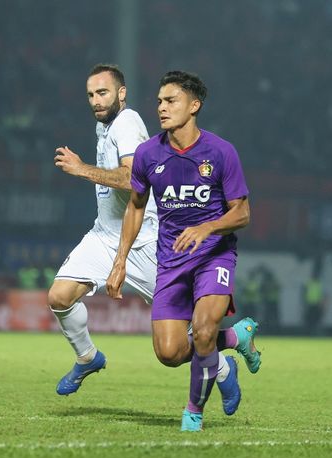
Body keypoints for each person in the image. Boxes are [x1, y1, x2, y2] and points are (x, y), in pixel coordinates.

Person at [106, 71, 260, 431]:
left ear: (194, 106)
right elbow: (136, 205)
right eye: (159, 101)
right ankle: (236, 339)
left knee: (204, 331)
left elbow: (243, 212)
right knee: (170, 353)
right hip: (172, 262)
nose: (161, 107)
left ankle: (193, 412)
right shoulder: (147, 154)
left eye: (170, 100)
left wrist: (206, 227)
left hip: (214, 256)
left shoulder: (221, 152)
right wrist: (120, 260)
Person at [49, 64, 159, 395]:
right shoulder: (106, 126)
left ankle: (225, 363)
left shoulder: (127, 123)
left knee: (181, 341)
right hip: (103, 236)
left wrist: (82, 169)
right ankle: (87, 357)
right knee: (59, 296)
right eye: (91, 95)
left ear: (121, 94)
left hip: (144, 242)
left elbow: (132, 178)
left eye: (103, 93)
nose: (96, 101)